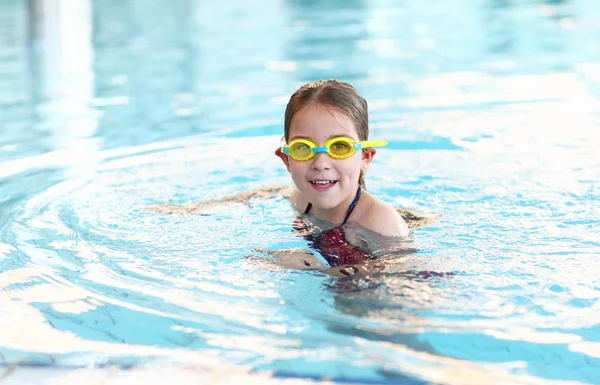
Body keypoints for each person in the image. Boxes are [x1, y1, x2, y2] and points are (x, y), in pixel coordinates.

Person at [147, 79, 437, 276]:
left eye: (339, 147)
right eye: (303, 148)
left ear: (365, 157)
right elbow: (269, 191)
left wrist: (309, 269)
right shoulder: (301, 198)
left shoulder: (379, 221)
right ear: (286, 159)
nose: (321, 163)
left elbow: (403, 275)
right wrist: (196, 208)